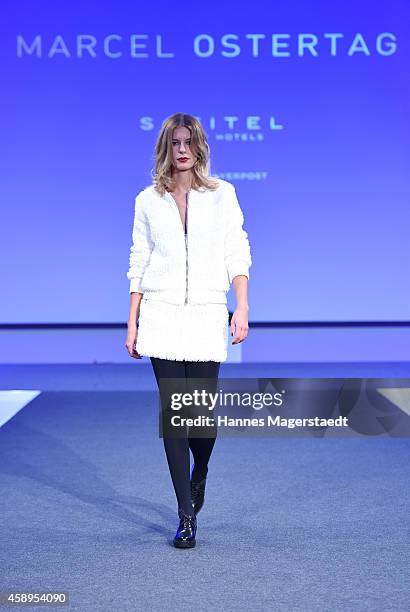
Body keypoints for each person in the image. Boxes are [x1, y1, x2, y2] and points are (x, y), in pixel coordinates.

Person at [125, 112, 252, 548]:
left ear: (199, 147)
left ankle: (200, 475)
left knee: (201, 421)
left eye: (189, 142)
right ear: (165, 148)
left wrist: (241, 307)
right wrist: (133, 321)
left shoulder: (222, 195)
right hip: (160, 314)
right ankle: (185, 515)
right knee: (174, 417)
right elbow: (138, 260)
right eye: (175, 143)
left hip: (204, 313)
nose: (182, 150)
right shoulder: (147, 200)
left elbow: (238, 250)